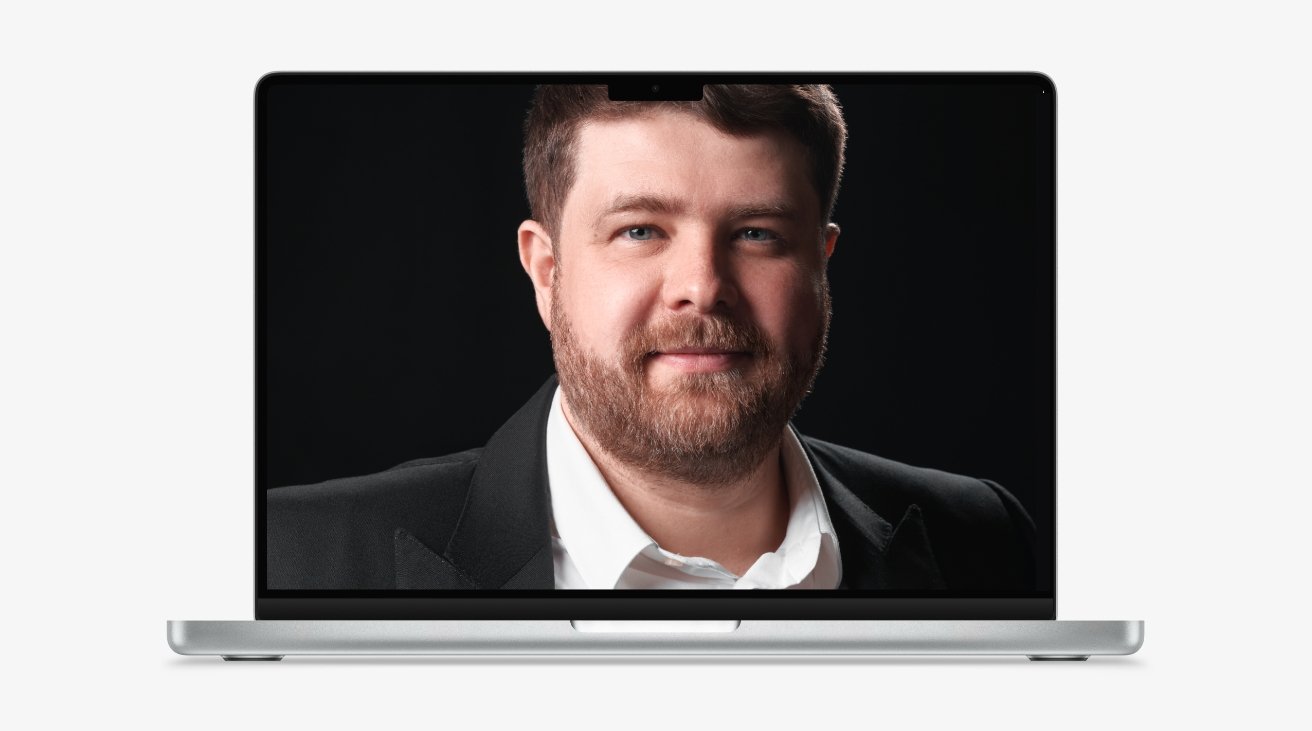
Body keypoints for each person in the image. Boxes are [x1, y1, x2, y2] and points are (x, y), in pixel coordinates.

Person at [267, 84, 1036, 591]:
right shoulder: (295, 558)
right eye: (640, 229)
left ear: (820, 266)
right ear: (546, 269)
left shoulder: (982, 541)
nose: (701, 284)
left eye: (759, 233)